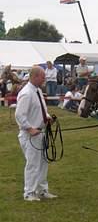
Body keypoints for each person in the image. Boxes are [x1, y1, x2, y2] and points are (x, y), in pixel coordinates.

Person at [15, 66, 58, 201]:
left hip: (40, 132)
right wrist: (29, 128)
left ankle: (42, 190)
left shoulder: (37, 91)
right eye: (43, 77)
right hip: (30, 135)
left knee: (43, 162)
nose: (45, 79)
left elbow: (39, 109)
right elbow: (19, 115)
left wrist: (47, 117)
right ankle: (29, 192)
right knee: (33, 164)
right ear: (35, 77)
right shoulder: (27, 93)